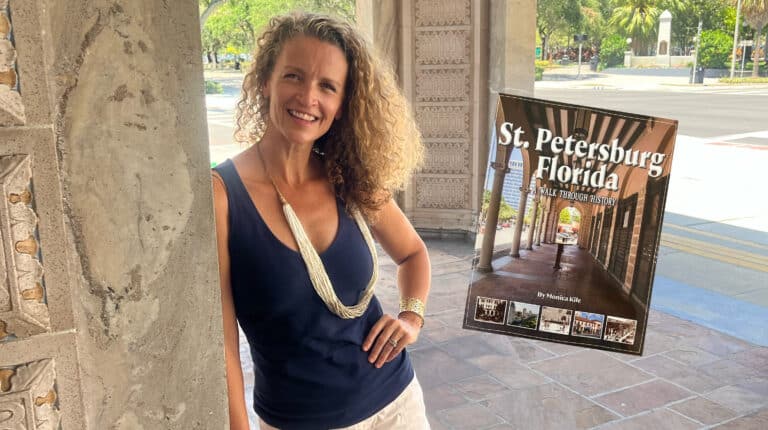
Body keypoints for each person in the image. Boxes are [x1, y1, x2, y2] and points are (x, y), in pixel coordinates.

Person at [211, 12, 431, 430]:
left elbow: (413, 253)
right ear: (265, 82)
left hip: (396, 403)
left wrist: (411, 317)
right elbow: (222, 341)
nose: (308, 97)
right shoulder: (222, 195)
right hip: (301, 420)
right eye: (294, 76)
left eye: (327, 86)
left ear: (342, 104)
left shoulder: (348, 176)